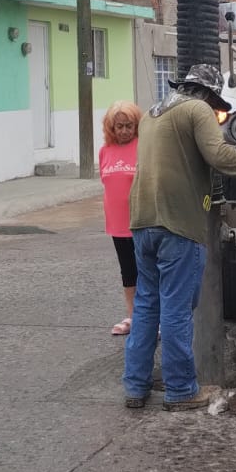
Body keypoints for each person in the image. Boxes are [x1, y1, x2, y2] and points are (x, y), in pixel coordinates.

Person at [124, 64, 236, 411]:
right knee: (177, 309)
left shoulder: (152, 113)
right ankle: (181, 390)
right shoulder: (197, 110)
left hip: (142, 221)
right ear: (208, 94)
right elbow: (218, 155)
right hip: (177, 221)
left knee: (147, 304)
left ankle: (135, 385)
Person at [99, 100, 142, 336]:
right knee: (127, 272)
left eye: (129, 126)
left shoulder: (142, 148)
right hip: (116, 224)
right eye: (119, 126)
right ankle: (133, 317)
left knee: (146, 271)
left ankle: (151, 320)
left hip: (140, 221)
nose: (124, 131)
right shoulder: (105, 151)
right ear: (111, 128)